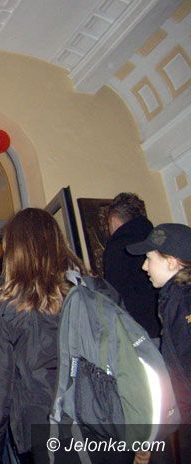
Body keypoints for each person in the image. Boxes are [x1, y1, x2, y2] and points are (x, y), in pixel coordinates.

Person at [0, 208, 85, 463]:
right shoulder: (93, 291)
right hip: (99, 421)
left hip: (42, 427)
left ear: (14, 250)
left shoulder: (3, 306)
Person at [127, 223, 191, 463]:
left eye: (149, 259)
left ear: (171, 262)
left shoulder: (182, 303)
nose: (144, 266)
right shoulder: (175, 298)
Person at [103, 193, 161, 338]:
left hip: (140, 330)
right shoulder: (158, 238)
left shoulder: (116, 247)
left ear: (114, 220)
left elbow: (115, 293)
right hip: (168, 321)